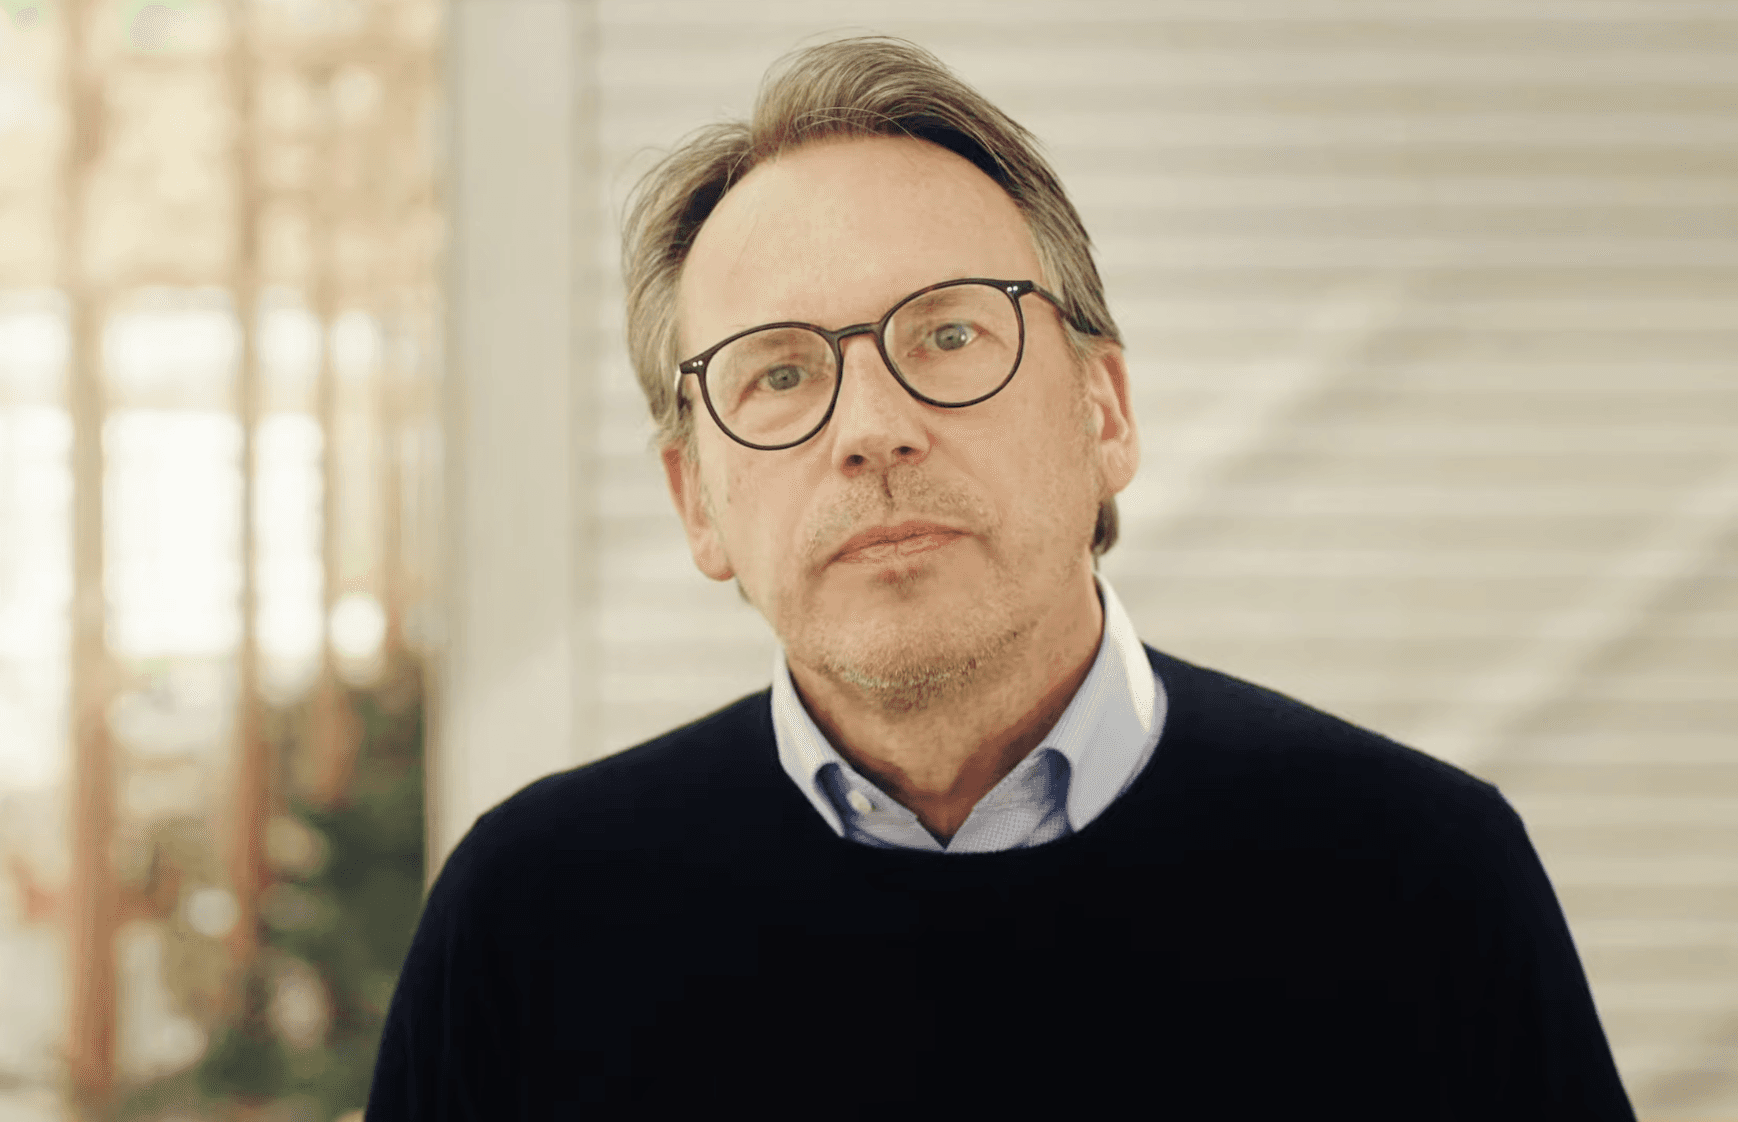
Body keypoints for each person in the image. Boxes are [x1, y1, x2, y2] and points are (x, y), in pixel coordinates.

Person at [367, 36, 1635, 1119]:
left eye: (952, 333)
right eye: (781, 374)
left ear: (1104, 414)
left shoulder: (1424, 879)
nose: (870, 425)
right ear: (697, 502)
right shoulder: (528, 918)